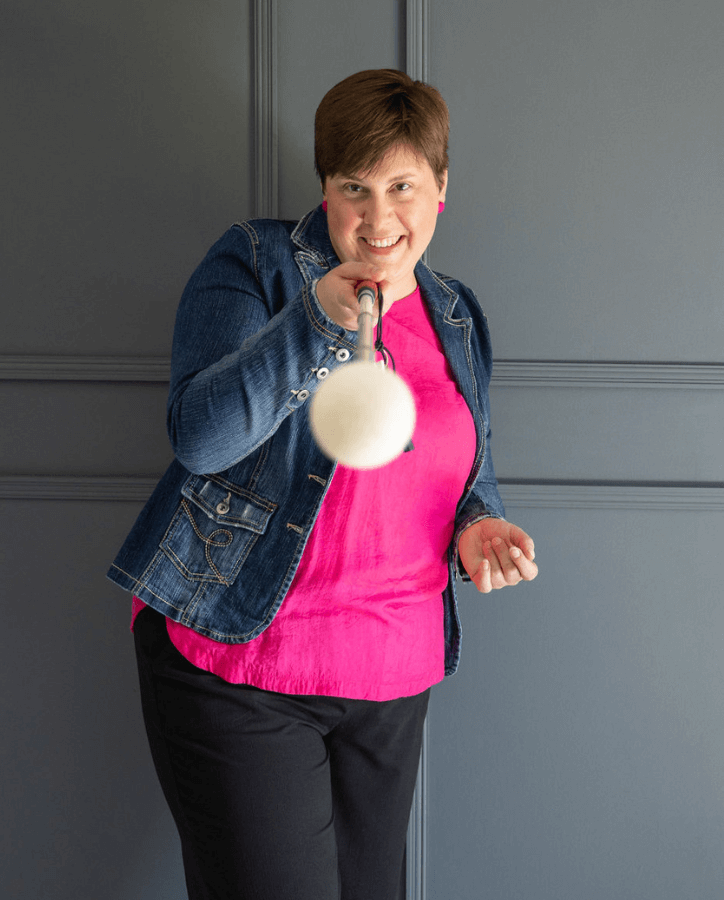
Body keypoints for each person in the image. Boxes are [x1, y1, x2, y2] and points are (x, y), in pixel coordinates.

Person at [107, 68, 538, 900]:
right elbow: (200, 439)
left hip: (390, 678)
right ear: (326, 189)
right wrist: (315, 321)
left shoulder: (457, 313)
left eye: (404, 186)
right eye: (355, 188)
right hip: (240, 659)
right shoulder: (259, 264)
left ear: (442, 189)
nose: (380, 219)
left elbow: (464, 468)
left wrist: (479, 523)